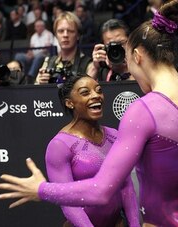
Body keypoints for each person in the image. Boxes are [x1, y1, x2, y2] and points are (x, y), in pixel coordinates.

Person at [0, 1, 178, 226]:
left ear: (137, 57)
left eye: (128, 62)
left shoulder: (144, 109)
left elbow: (101, 191)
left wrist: (42, 189)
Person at [41, 74, 140, 226]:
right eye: (85, 92)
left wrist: (135, 225)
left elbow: (127, 187)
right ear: (69, 103)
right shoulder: (60, 145)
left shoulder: (115, 136)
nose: (96, 96)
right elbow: (67, 203)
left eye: (99, 90)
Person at [34, 12, 92, 85]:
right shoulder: (48, 62)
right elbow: (34, 93)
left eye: (70, 31)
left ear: (78, 35)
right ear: (56, 35)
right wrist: (40, 84)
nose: (65, 35)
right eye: (61, 31)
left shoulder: (88, 64)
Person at [14, 19, 59, 84]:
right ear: (35, 28)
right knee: (19, 56)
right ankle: (21, 75)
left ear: (43, 27)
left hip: (45, 55)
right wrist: (30, 53)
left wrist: (35, 53)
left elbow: (46, 49)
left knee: (38, 56)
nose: (39, 28)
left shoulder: (48, 34)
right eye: (37, 26)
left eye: (40, 26)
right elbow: (31, 48)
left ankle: (30, 76)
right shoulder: (33, 36)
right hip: (34, 55)